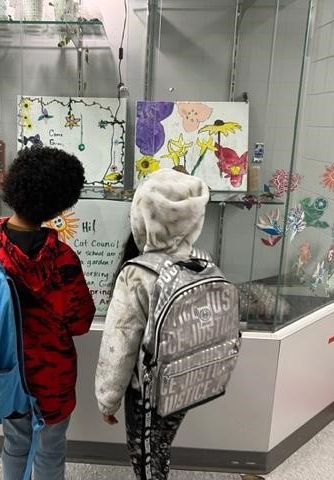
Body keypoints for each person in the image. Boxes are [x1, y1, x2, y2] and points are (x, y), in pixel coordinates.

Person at [0, 146, 96, 480]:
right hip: (52, 377)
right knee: (50, 450)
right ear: (60, 203)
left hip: (2, 370)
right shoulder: (63, 259)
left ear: (14, 187)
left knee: (15, 442)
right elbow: (80, 323)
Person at [95, 168, 210, 480]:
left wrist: (108, 398)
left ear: (141, 216)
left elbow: (119, 344)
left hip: (148, 387)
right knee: (161, 443)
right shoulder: (201, 261)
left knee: (144, 451)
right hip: (189, 380)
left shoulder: (138, 273)